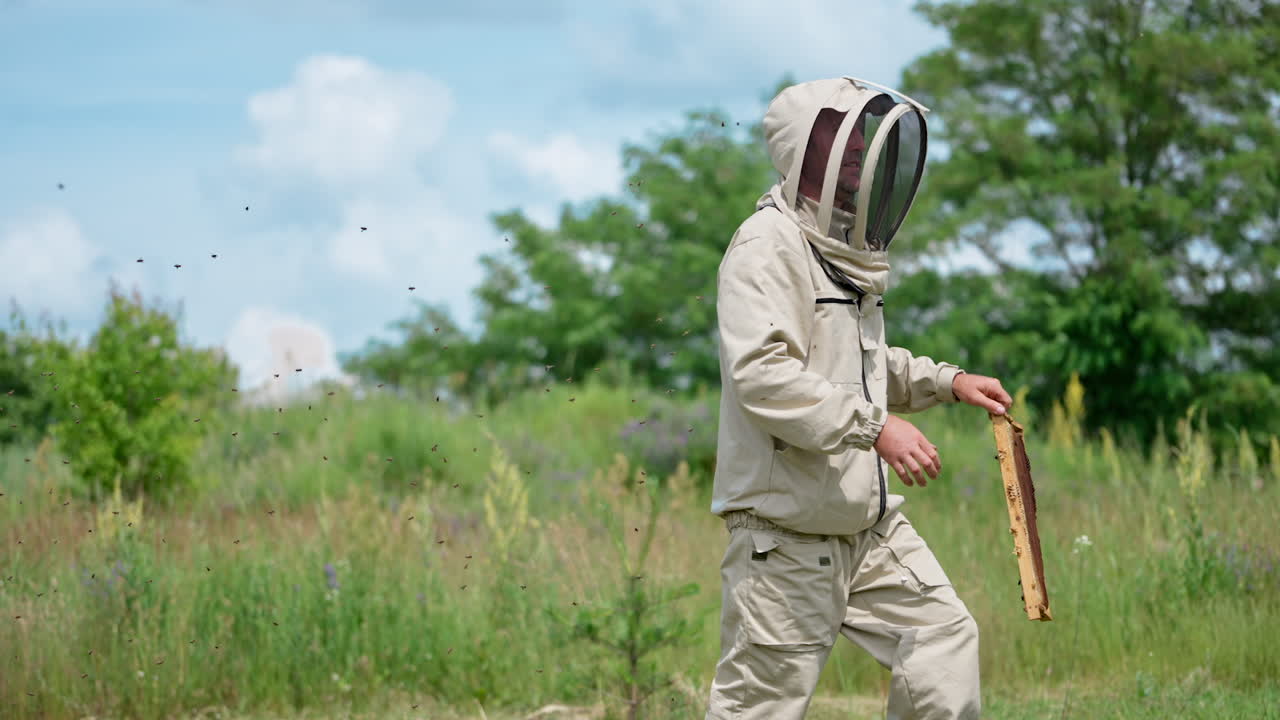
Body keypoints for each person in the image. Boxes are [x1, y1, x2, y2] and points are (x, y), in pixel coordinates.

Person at [704, 76, 1014, 720]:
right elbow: (762, 375)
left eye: (860, 135)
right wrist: (876, 428)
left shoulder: (840, 247)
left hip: (867, 529)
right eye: (836, 133)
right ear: (800, 150)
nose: (858, 149)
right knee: (759, 709)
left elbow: (863, 368)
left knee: (942, 641)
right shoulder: (766, 248)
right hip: (785, 539)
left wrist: (947, 381)